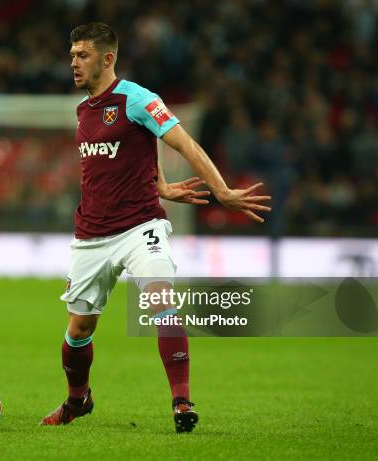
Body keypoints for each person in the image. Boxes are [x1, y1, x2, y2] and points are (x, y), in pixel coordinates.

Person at [40, 22, 271, 433]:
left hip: (140, 227)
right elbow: (131, 149)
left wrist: (222, 191)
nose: (73, 62)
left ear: (107, 58)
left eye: (82, 55)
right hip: (91, 235)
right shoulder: (83, 110)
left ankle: (182, 402)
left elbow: (184, 143)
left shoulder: (137, 98)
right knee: (78, 330)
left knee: (161, 302)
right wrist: (162, 184)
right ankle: (79, 400)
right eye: (72, 54)